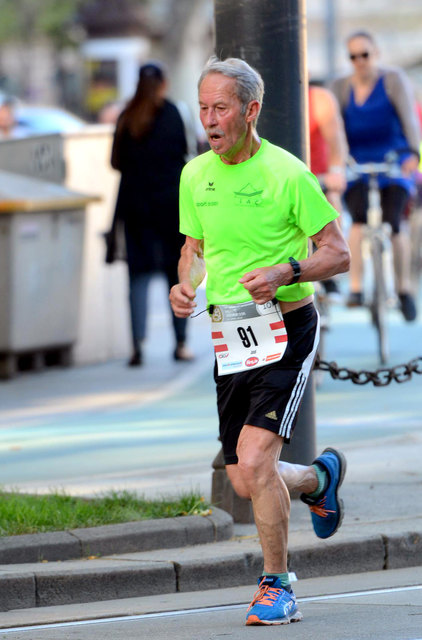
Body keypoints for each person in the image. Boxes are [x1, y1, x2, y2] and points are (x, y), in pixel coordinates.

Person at [170, 56, 350, 626]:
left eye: (220, 108)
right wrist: (184, 285)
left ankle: (278, 586)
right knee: (247, 475)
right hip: (232, 332)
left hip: (287, 329)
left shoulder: (288, 173)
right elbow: (195, 250)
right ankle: (319, 479)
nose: (209, 120)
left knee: (254, 455)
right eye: (203, 108)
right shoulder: (195, 174)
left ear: (250, 110)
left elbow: (338, 252)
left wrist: (285, 271)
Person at [110, 61, 197, 366]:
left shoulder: (126, 115)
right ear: (163, 84)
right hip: (171, 206)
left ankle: (137, 347)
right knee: (176, 273)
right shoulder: (174, 112)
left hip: (135, 208)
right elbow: (189, 154)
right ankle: (181, 343)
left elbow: (115, 162)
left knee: (137, 278)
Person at [332, 30, 421, 321]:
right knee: (357, 221)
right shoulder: (341, 87)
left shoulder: (393, 80)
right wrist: (337, 162)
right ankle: (356, 288)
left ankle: (404, 289)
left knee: (394, 221)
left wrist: (412, 154)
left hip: (394, 160)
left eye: (365, 54)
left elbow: (409, 119)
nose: (360, 61)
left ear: (376, 53)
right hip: (357, 162)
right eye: (353, 56)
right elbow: (334, 130)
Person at [309, 82, 348, 297]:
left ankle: (332, 270)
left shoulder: (319, 99)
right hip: (291, 178)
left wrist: (336, 171)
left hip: (320, 175)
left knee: (332, 200)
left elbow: (336, 140)